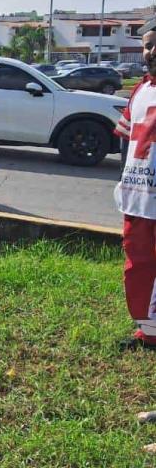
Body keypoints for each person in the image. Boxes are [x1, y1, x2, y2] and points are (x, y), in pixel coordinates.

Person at [115, 21, 156, 349]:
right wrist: (123, 183)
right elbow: (127, 143)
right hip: (138, 201)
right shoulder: (140, 90)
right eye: (148, 45)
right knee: (138, 267)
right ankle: (148, 332)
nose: (152, 52)